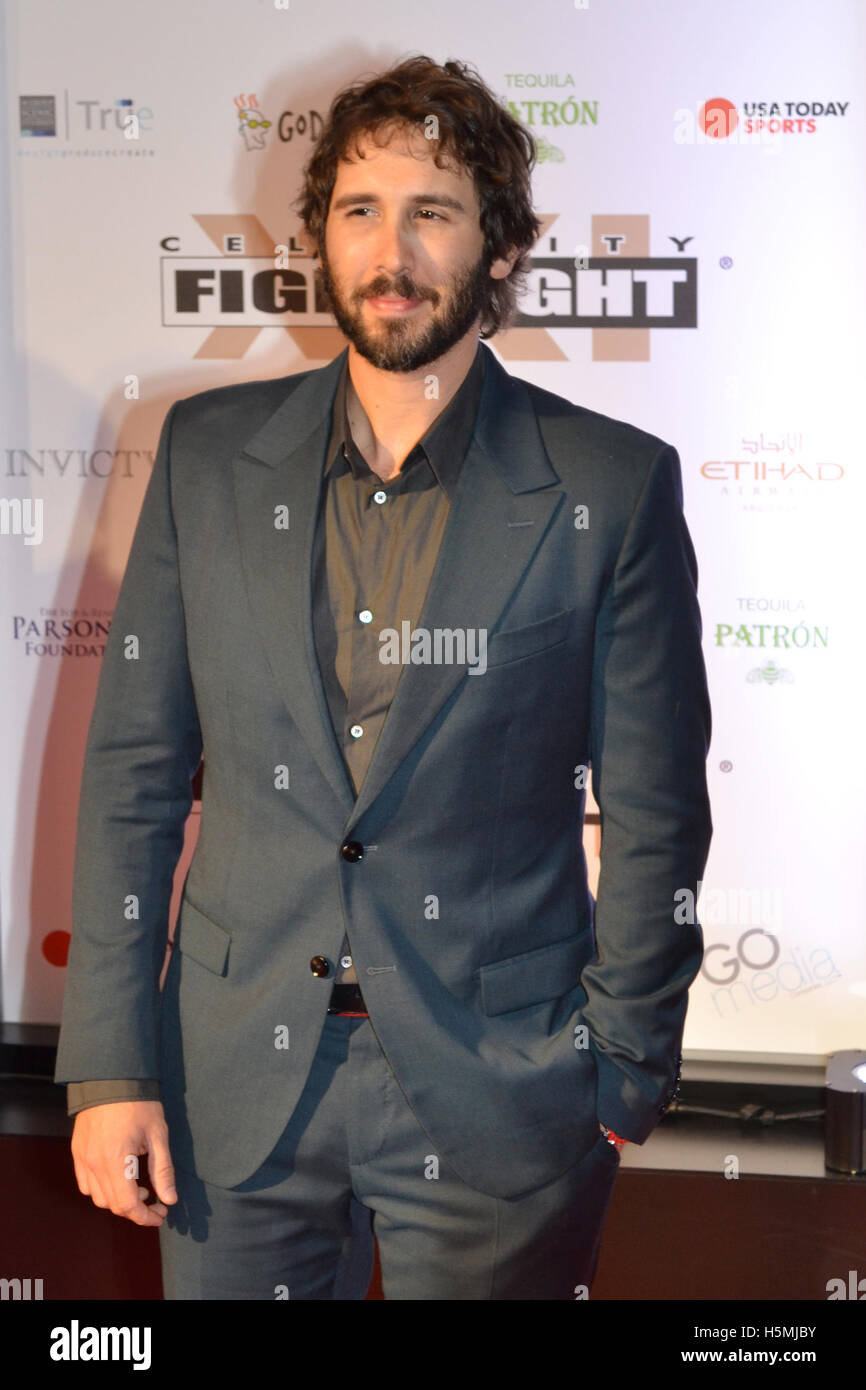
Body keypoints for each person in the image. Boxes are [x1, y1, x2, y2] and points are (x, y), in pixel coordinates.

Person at [55, 54, 712, 1300]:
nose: (389, 249)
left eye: (433, 211)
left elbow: (654, 811)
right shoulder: (207, 455)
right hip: (232, 1091)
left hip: (502, 1099)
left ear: (501, 249)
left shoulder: (607, 487)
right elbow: (135, 773)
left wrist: (620, 1067)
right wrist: (108, 1064)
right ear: (320, 237)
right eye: (359, 211)